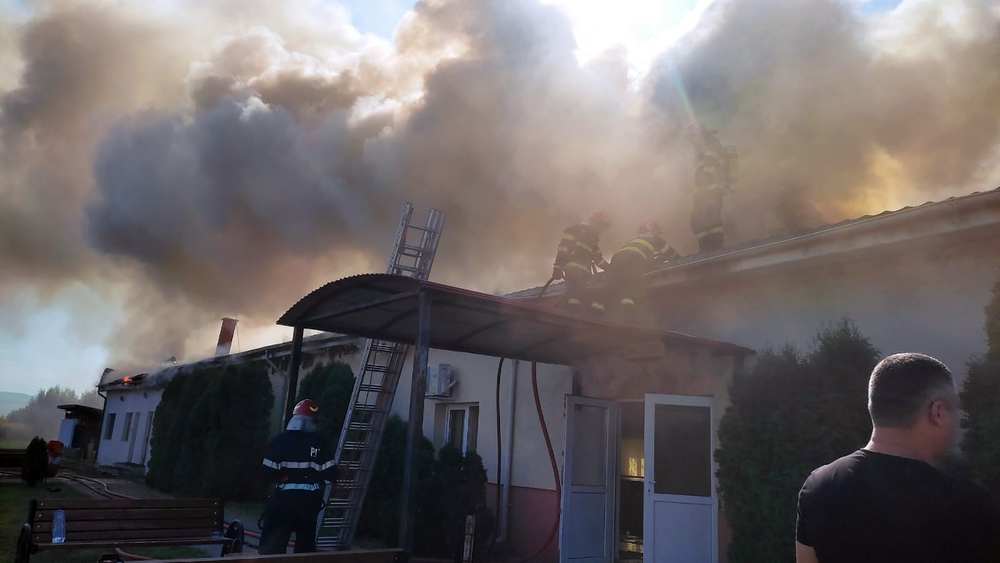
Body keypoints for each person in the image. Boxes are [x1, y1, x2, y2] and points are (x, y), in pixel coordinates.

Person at [796, 353, 998, 563]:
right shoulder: (970, 505)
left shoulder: (818, 487)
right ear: (937, 412)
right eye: (956, 409)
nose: (959, 420)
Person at [259, 399, 337, 554]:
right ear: (313, 421)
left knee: (272, 551)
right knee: (305, 551)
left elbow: (266, 472)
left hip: (282, 502)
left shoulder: (279, 441)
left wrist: (281, 477)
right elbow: (331, 474)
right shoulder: (320, 443)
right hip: (309, 505)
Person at [603, 221, 671, 323]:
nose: (658, 234)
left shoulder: (633, 241)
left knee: (619, 284)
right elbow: (672, 254)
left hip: (616, 260)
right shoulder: (656, 240)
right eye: (657, 232)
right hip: (633, 260)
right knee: (634, 284)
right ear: (654, 231)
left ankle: (605, 305)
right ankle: (630, 311)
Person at [551, 211, 611, 314]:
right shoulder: (575, 231)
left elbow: (599, 260)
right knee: (575, 297)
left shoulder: (593, 239)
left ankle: (572, 311)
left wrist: (612, 269)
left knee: (578, 296)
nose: (602, 230)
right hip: (573, 270)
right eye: (601, 226)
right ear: (595, 223)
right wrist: (557, 268)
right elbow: (563, 249)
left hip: (582, 274)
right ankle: (570, 314)